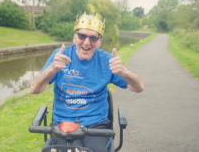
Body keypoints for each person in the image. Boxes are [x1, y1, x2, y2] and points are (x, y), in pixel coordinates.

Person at [30, 13, 144, 151]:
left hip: (96, 125)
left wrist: (123, 72)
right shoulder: (60, 56)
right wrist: (51, 69)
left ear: (99, 41)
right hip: (63, 124)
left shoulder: (107, 60)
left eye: (93, 38)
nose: (86, 42)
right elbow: (34, 89)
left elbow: (139, 87)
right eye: (82, 36)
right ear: (74, 37)